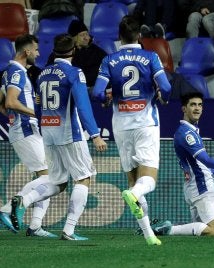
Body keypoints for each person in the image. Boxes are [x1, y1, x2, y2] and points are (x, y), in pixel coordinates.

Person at [9, 33, 107, 241]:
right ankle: (69, 230)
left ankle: (24, 201)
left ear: (54, 51)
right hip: (69, 133)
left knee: (59, 182)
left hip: (48, 133)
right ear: (73, 51)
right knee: (84, 178)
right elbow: (83, 105)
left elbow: (37, 104)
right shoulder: (73, 72)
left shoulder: (43, 73)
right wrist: (95, 134)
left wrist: (45, 123)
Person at [92, 15, 172, 245]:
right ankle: (135, 196)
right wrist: (162, 97)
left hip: (121, 125)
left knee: (133, 179)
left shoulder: (110, 60)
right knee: (147, 181)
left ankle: (149, 235)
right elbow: (166, 86)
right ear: (139, 35)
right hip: (145, 122)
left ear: (119, 36)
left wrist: (107, 99)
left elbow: (97, 93)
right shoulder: (150, 57)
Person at [145, 92, 214, 236]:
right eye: (192, 104)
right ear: (184, 109)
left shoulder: (189, 131)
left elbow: (200, 166)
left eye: (200, 105)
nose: (197, 108)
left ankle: (163, 229)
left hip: (195, 186)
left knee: (203, 233)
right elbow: (206, 161)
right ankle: (168, 229)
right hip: (202, 188)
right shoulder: (187, 134)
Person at [0, 34, 56, 237]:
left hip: (22, 129)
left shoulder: (8, 71)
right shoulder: (17, 72)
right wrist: (38, 114)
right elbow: (10, 102)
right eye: (36, 50)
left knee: (47, 178)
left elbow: (1, 101)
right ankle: (8, 209)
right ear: (27, 51)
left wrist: (12, 117)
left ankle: (35, 226)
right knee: (50, 177)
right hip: (26, 130)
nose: (39, 53)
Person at [47, 20, 107, 90]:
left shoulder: (97, 52)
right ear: (73, 38)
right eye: (82, 35)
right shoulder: (62, 52)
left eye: (87, 34)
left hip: (93, 89)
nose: (86, 38)